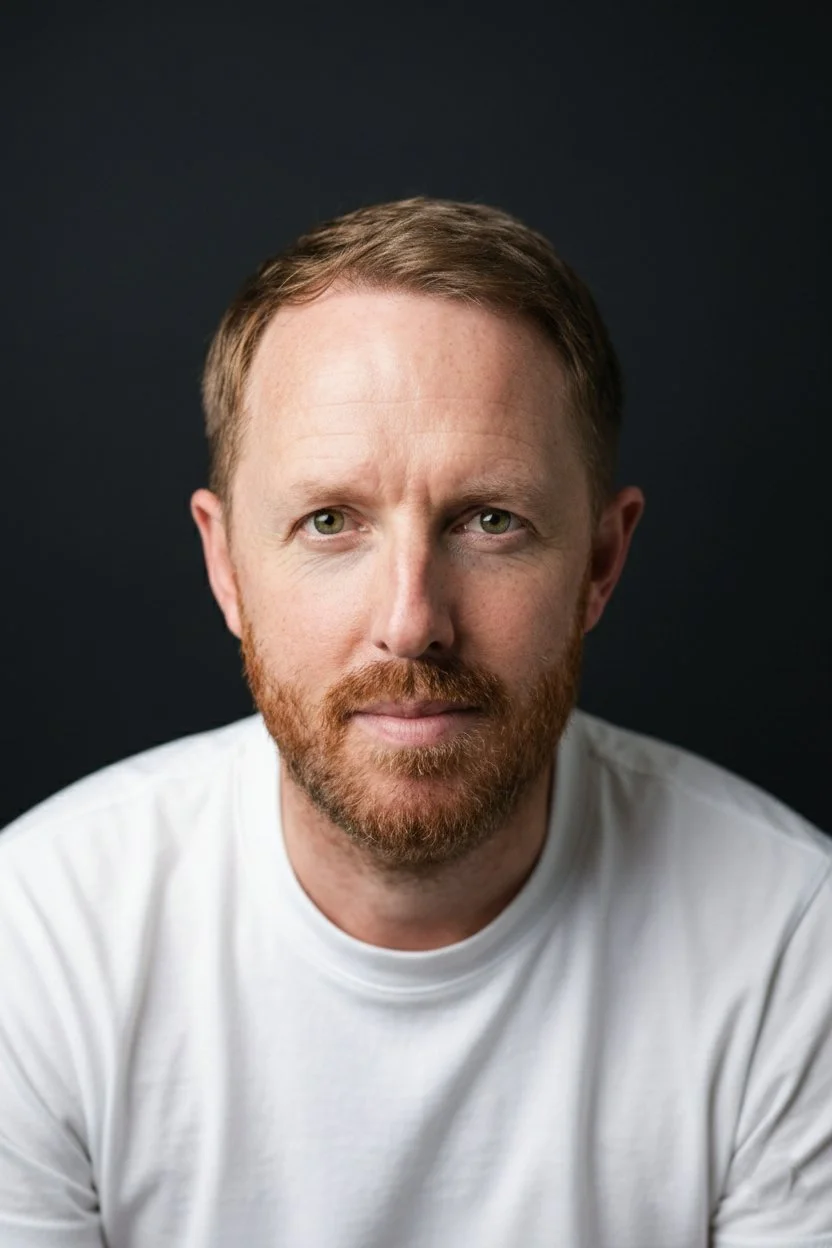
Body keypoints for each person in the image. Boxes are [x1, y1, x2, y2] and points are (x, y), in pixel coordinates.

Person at [0, 197, 829, 1248]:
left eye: (490, 521)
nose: (412, 624)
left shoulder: (795, 948)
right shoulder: (35, 943)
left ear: (599, 563)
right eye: (331, 522)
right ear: (227, 566)